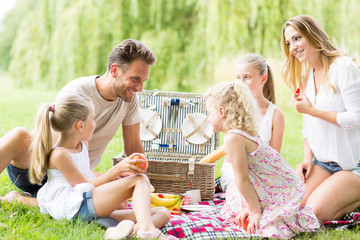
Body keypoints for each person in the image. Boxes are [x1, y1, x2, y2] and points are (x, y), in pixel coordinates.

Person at [0, 39, 155, 204]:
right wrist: (108, 177)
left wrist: (143, 180)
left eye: (143, 81)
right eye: (135, 79)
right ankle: (44, 200)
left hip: (78, 178)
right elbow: (56, 152)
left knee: (118, 198)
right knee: (19, 135)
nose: (139, 88)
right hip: (40, 169)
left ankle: (24, 201)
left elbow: (133, 147)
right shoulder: (77, 92)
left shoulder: (130, 99)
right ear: (115, 70)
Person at [28, 93, 173, 240]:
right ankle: (148, 232)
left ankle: (133, 232)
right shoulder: (59, 154)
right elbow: (82, 185)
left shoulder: (82, 145)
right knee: (139, 179)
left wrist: (117, 177)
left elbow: (86, 174)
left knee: (162, 212)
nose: (94, 124)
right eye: (92, 119)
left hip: (88, 203)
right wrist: (116, 169)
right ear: (80, 125)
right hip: (75, 208)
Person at [204, 81, 319, 238]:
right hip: (275, 187)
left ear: (221, 111)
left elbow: (243, 180)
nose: (208, 119)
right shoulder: (242, 132)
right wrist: (248, 206)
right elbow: (249, 179)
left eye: (209, 113)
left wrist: (255, 211)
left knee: (261, 225)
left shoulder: (233, 138)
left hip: (279, 192)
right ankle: (254, 207)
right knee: (235, 201)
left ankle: (260, 211)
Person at [281, 15, 360, 222]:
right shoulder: (308, 76)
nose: (293, 47)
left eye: (297, 38)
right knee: (292, 208)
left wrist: (312, 110)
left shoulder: (343, 67)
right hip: (324, 163)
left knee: (312, 214)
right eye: (289, 43)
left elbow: (357, 117)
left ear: (313, 34)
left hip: (352, 164)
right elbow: (309, 127)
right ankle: (337, 191)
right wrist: (307, 159)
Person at [219, 54, 285, 192]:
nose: (241, 83)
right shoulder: (234, 109)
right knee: (241, 195)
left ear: (263, 78)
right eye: (238, 78)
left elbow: (273, 160)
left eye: (247, 77)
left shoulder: (275, 115)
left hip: (261, 177)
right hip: (234, 175)